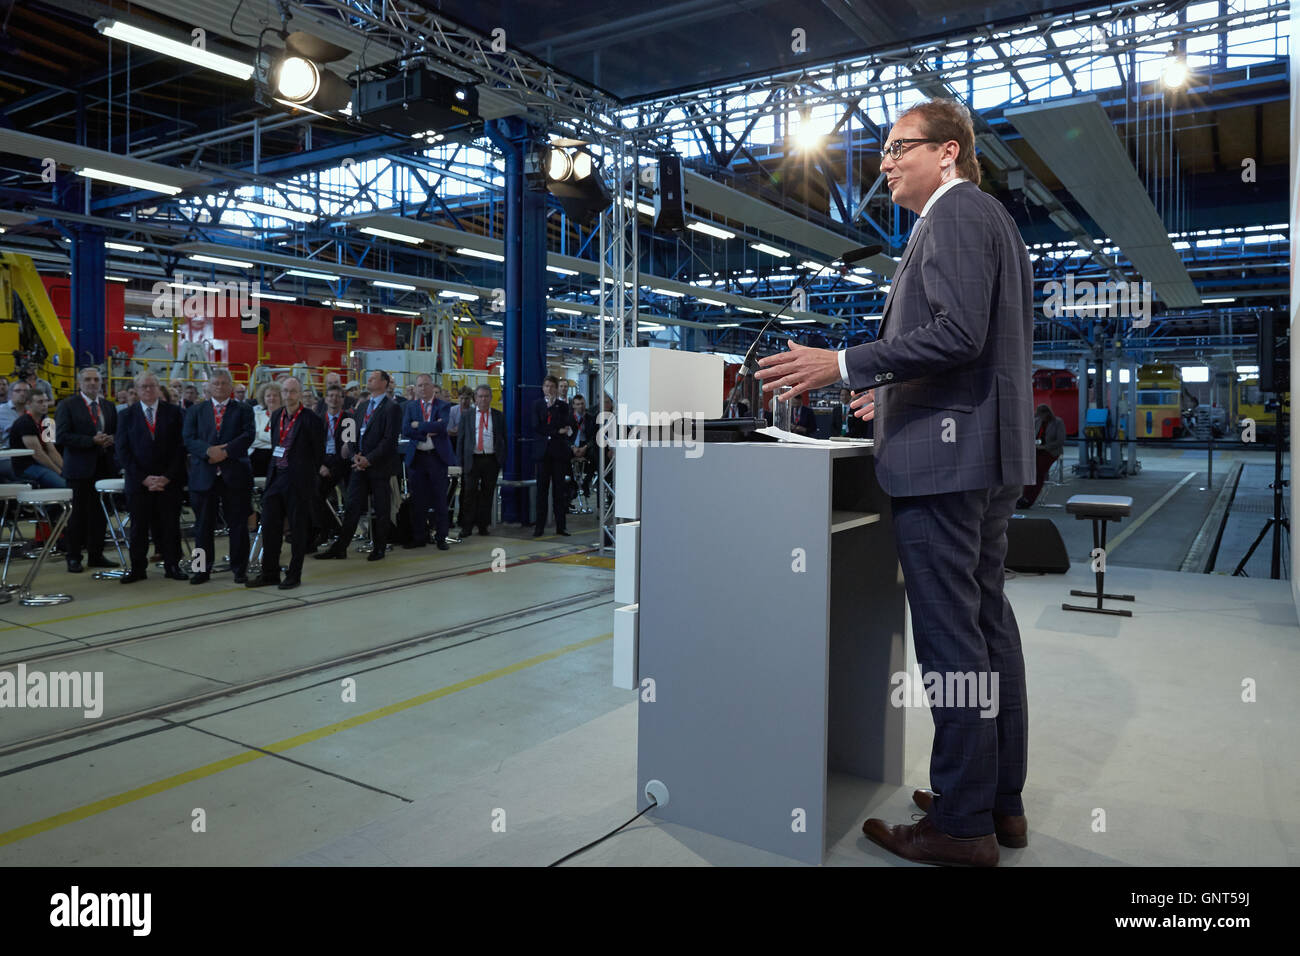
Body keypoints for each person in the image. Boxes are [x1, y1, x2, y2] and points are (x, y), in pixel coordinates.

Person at [754, 98, 1033, 867]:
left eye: (897, 147)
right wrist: (894, 389)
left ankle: (962, 827)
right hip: (983, 453)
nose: (882, 163)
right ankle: (994, 803)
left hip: (947, 467)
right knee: (986, 633)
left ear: (948, 152)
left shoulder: (952, 216)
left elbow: (957, 331)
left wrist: (842, 364)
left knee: (953, 647)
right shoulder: (986, 219)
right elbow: (970, 347)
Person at [314, 369, 402, 562]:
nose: (368, 380)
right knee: (352, 506)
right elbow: (350, 436)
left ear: (384, 383)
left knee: (381, 509)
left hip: (378, 467)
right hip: (358, 466)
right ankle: (341, 547)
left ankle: (379, 547)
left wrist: (369, 459)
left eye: (373, 378)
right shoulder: (362, 407)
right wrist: (354, 456)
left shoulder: (391, 408)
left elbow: (389, 440)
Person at [249, 377, 323, 589]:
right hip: (276, 479)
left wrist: (306, 477)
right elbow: (275, 447)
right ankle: (269, 573)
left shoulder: (311, 420)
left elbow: (317, 455)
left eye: (293, 391)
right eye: (285, 391)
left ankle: (294, 574)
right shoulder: (276, 416)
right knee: (270, 527)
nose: (288, 395)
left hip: (298, 482)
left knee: (298, 531)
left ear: (299, 394)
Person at [183, 369, 256, 584]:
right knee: (202, 526)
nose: (220, 387)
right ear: (209, 386)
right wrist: (208, 452)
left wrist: (225, 451)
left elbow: (248, 435)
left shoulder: (243, 409)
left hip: (235, 475)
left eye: (225, 383)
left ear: (231, 387)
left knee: (238, 525)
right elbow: (188, 438)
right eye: (216, 383)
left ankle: (239, 568)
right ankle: (201, 569)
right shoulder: (196, 411)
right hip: (204, 476)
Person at [116, 373, 187, 582]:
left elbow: (181, 448)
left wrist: (167, 477)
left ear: (158, 388)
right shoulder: (126, 416)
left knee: (170, 525)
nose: (148, 390)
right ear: (136, 390)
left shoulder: (175, 413)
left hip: (169, 481)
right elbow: (122, 451)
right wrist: (143, 478)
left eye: (152, 386)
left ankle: (172, 566)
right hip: (139, 482)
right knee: (138, 527)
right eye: (143, 387)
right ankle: (138, 568)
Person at [54, 366, 118, 573]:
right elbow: (62, 436)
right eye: (88, 380)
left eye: (96, 380)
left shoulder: (108, 406)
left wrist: (111, 439)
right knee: (78, 515)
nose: (92, 383)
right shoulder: (67, 405)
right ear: (79, 383)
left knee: (100, 514)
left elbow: (116, 432)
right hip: (79, 468)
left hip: (104, 466)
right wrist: (91, 440)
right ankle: (73, 556)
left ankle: (96, 554)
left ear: (101, 383)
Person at [401, 373, 454, 550]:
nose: (423, 388)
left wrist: (419, 425)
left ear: (433, 386)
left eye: (426, 385)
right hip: (418, 458)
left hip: (436, 458)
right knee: (418, 500)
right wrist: (425, 430)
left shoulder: (444, 406)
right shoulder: (411, 406)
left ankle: (441, 537)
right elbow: (406, 429)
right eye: (420, 386)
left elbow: (441, 426)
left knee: (440, 499)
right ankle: (419, 537)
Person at [458, 385, 506, 538]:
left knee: (487, 494)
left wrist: (501, 459)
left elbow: (503, 438)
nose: (483, 399)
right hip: (472, 459)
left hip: (491, 459)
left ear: (491, 398)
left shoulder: (498, 416)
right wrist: (460, 462)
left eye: (486, 396)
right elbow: (461, 439)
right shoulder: (467, 415)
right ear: (475, 399)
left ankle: (483, 526)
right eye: (480, 396)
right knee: (469, 493)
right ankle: (467, 526)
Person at [532, 375, 571, 537]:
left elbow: (566, 424)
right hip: (542, 453)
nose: (549, 389)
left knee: (558, 491)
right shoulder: (537, 405)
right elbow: (536, 426)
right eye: (546, 386)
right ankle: (539, 526)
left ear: (556, 389)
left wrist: (553, 414)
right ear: (543, 388)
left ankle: (561, 526)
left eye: (551, 386)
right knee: (541, 491)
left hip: (558, 453)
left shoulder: (563, 406)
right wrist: (555, 431)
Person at [313, 383, 351, 549]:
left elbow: (347, 449)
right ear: (326, 399)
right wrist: (320, 465)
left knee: (352, 498)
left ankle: (343, 532)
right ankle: (327, 529)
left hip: (341, 464)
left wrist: (332, 469)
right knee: (314, 494)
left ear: (343, 400)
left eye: (337, 396)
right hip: (323, 463)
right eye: (331, 396)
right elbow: (313, 446)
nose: (334, 399)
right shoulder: (318, 419)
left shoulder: (348, 420)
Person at [10, 391, 65, 488]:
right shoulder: (24, 423)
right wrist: (59, 471)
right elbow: (38, 454)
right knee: (65, 484)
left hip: (41, 463)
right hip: (27, 466)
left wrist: (65, 469)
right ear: (28, 404)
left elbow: (52, 450)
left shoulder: (48, 421)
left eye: (46, 401)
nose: (45, 405)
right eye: (40, 402)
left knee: (73, 479)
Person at [1018, 404, 1066, 509]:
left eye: (1041, 415)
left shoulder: (1058, 422)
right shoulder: (1037, 421)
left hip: (1051, 451)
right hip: (1037, 449)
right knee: (1031, 472)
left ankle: (1029, 499)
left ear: (1047, 413)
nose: (1040, 417)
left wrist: (1045, 447)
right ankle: (1023, 496)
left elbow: (1060, 440)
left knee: (1039, 473)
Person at [446, 388, 473, 526]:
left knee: (467, 487)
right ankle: (448, 519)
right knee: (453, 484)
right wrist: (460, 430)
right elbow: (450, 431)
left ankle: (464, 518)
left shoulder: (474, 411)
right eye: (462, 398)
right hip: (454, 449)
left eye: (467, 399)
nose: (464, 401)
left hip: (468, 450)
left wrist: (459, 430)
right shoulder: (453, 411)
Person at [567, 394, 596, 509]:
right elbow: (566, 438)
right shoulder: (569, 418)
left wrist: (585, 447)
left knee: (595, 456)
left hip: (585, 446)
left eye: (582, 404)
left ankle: (586, 483)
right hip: (572, 446)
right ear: (573, 406)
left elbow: (593, 437)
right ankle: (573, 486)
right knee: (563, 458)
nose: (580, 406)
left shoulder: (590, 418)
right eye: (578, 404)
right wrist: (572, 447)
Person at [0, 380, 31, 482]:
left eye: (26, 391)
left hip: (33, 457)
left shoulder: (36, 411)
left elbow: (49, 438)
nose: (22, 393)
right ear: (10, 393)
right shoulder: (1, 411)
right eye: (18, 390)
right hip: (8, 458)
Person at [251, 382, 281, 477]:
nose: (271, 398)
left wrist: (261, 436)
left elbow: (284, 441)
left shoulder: (286, 417)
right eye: (268, 396)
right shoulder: (256, 415)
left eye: (275, 395)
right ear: (263, 398)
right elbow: (252, 440)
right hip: (257, 457)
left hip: (279, 457)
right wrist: (273, 440)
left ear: (281, 397)